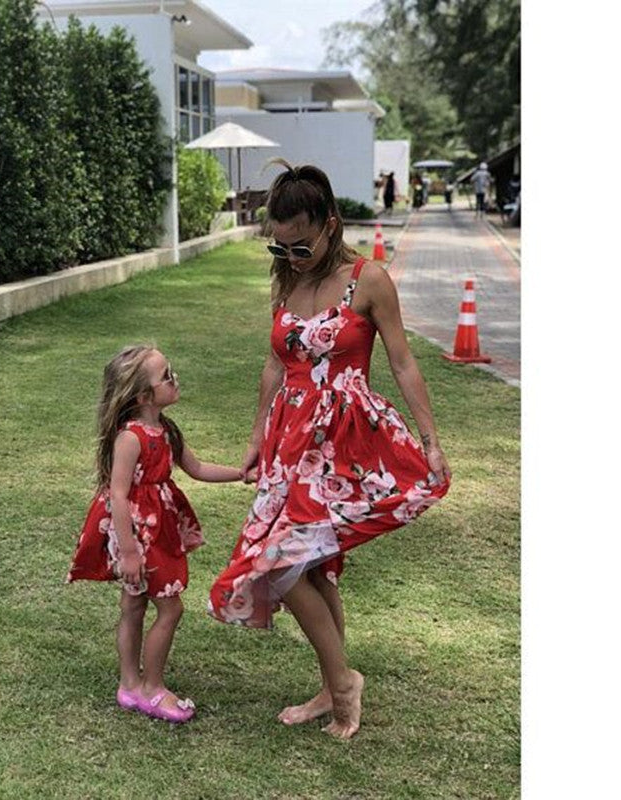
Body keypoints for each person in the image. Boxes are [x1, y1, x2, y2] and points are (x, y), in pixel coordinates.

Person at [207, 160, 451, 740]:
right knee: (310, 565)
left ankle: (343, 684)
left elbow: (402, 360)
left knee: (287, 565)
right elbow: (274, 364)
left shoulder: (369, 279)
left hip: (341, 440)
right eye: (279, 248)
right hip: (290, 440)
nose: (290, 258)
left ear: (332, 224)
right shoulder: (289, 279)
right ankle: (332, 682)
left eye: (300, 245)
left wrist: (431, 440)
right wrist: (255, 438)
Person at [67, 345, 241, 723]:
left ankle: (131, 684)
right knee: (169, 607)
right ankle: (149, 687)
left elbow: (196, 468)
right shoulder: (131, 438)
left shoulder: (166, 430)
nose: (174, 378)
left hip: (157, 528)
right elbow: (117, 494)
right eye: (167, 375)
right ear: (144, 396)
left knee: (134, 605)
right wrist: (128, 553)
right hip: (138, 535)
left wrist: (242, 474)